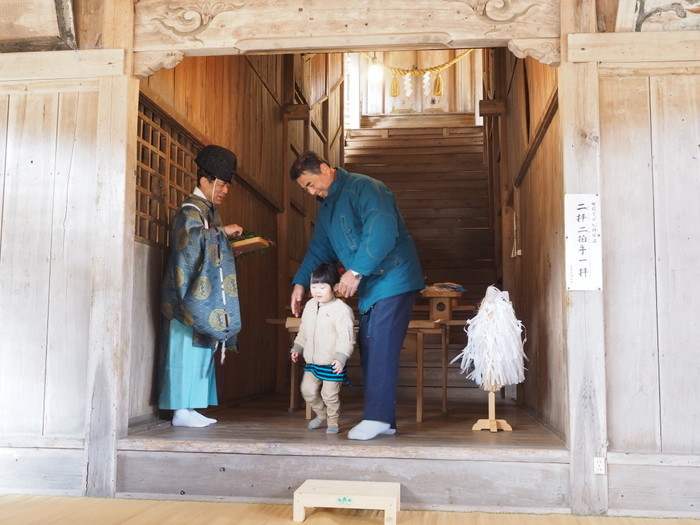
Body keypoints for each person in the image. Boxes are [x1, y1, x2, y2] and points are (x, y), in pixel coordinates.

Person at [289, 151, 424, 440]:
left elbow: (382, 230)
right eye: (307, 189)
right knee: (370, 344)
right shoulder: (326, 208)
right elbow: (319, 250)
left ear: (326, 169)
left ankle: (376, 417)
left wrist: (357, 271)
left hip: (394, 277)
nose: (312, 192)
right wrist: (300, 283)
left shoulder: (366, 187)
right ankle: (384, 420)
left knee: (379, 344)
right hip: (372, 287)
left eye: (312, 184)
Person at [158, 145, 244, 428]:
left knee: (202, 350)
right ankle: (180, 410)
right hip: (186, 295)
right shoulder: (190, 210)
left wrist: (229, 243)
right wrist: (221, 233)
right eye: (221, 185)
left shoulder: (207, 211)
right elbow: (190, 243)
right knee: (185, 349)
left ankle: (192, 407)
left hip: (202, 293)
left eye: (228, 187)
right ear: (204, 180)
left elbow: (209, 244)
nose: (224, 191)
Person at [290, 263, 356, 434]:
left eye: (322, 286)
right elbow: (304, 330)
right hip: (312, 361)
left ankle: (333, 422)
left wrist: (341, 357)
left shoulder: (342, 310)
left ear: (334, 287)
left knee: (329, 395)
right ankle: (321, 415)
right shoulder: (310, 306)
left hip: (332, 363)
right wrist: (297, 347)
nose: (317, 291)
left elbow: (347, 338)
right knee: (307, 391)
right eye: (313, 286)